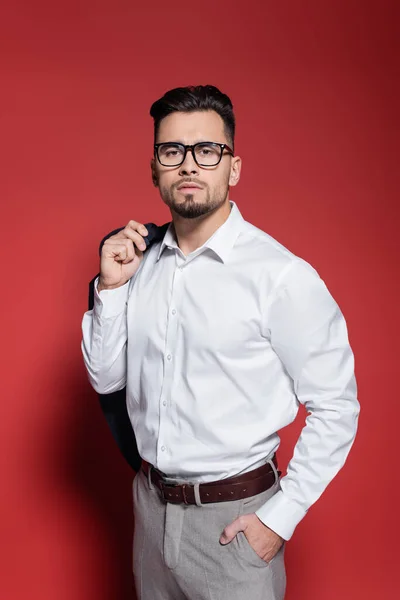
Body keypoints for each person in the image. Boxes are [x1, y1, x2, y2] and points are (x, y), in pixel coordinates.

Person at [81, 84, 360, 600]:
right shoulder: (135, 264)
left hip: (234, 525)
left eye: (207, 151)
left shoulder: (279, 276)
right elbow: (106, 378)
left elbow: (338, 405)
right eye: (172, 151)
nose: (189, 165)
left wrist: (281, 518)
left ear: (232, 168)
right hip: (150, 511)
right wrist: (111, 291)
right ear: (155, 169)